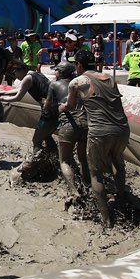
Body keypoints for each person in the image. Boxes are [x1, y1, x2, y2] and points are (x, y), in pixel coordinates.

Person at [60, 50, 130, 229]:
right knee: (118, 165)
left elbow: (70, 105)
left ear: (79, 65)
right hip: (122, 129)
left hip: (99, 131)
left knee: (95, 173)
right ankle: (123, 202)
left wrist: (60, 108)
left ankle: (106, 219)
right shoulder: (109, 78)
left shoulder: (77, 82)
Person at [45, 62, 89, 196]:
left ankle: (75, 192)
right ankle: (88, 186)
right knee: (82, 158)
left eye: (56, 70)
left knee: (64, 161)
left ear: (61, 73)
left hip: (68, 125)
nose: (54, 73)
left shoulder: (54, 84)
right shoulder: (77, 83)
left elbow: (48, 105)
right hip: (85, 124)